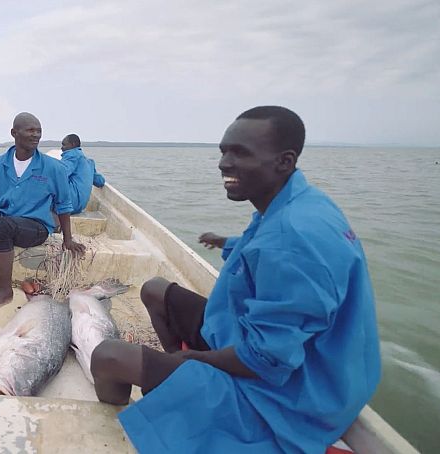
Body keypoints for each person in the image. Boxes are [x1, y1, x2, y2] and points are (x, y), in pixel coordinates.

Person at [89, 106, 381, 452]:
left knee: (106, 357)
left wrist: (194, 360)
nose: (224, 163)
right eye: (224, 151)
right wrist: (227, 242)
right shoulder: (301, 203)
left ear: (284, 161)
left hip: (289, 396)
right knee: (155, 289)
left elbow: (267, 360)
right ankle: (177, 384)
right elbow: (264, 248)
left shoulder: (294, 240)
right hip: (253, 339)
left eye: (240, 153)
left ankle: (131, 420)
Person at [0, 112, 86, 309]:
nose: (36, 135)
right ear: (14, 133)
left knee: (3, 225)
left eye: (39, 131)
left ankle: (5, 290)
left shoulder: (53, 168)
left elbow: (63, 205)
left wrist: (67, 239)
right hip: (6, 220)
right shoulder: (0, 164)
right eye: (30, 130)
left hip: (36, 226)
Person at [59, 134, 106, 214]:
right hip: (79, 207)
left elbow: (60, 174)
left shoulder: (72, 155)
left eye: (64, 144)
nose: (61, 148)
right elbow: (100, 181)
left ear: (72, 144)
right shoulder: (89, 163)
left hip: (68, 205)